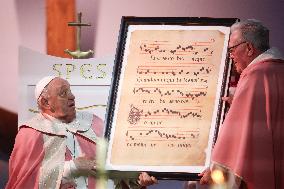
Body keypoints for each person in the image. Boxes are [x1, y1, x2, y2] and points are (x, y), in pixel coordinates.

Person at [6, 76, 157, 189]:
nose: (72, 96)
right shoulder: (30, 133)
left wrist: (137, 180)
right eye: (63, 93)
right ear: (46, 102)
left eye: (70, 91)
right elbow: (25, 182)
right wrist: (72, 167)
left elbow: (115, 170)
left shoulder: (93, 123)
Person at [199, 19, 284, 188]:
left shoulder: (254, 75)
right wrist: (239, 105)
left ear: (249, 48)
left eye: (232, 49)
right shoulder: (278, 70)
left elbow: (239, 143)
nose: (230, 55)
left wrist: (216, 173)